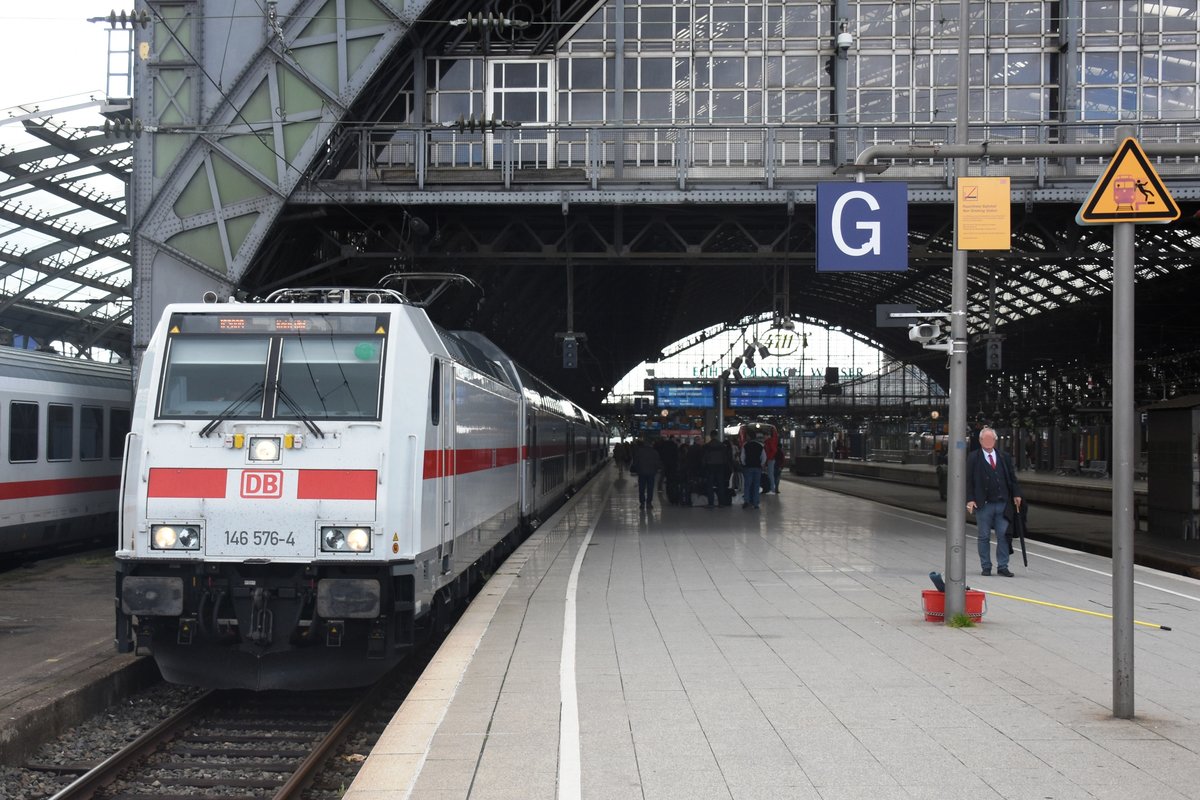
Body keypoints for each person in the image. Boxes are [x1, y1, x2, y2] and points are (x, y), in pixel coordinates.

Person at [966, 426, 1023, 576]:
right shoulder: (973, 457)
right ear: (980, 441)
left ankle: (1003, 566)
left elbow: (1012, 478)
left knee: (1003, 534)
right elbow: (968, 480)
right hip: (983, 504)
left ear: (995, 441)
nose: (988, 441)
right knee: (984, 536)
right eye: (985, 439)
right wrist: (970, 499)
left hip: (1003, 503)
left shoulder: (1004, 457)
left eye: (991, 439)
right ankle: (986, 566)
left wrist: (1016, 494)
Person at [700, 429, 732, 508]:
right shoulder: (722, 446)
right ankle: (721, 503)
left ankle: (711, 503)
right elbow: (725, 458)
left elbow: (704, 458)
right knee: (720, 485)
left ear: (711, 436)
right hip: (720, 467)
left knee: (710, 485)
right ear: (717, 436)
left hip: (710, 467)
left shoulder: (707, 446)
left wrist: (703, 466)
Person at [629, 438, 662, 510]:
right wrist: (655, 470)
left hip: (641, 473)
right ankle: (649, 503)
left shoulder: (639, 451)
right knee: (650, 488)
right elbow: (657, 463)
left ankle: (642, 503)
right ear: (651, 444)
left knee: (641, 488)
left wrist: (638, 470)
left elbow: (636, 462)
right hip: (651, 473)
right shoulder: (654, 452)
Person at [740, 429, 766, 510]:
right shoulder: (760, 446)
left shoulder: (745, 445)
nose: (746, 437)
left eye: (747, 436)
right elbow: (764, 457)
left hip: (748, 468)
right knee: (756, 485)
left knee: (747, 485)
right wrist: (761, 464)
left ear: (749, 437)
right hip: (757, 468)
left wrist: (744, 464)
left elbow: (742, 457)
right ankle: (755, 503)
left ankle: (747, 501)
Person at [762, 428, 778, 494]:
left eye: (764, 436)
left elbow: (773, 450)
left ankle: (772, 490)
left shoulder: (769, 441)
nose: (763, 437)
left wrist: (768, 458)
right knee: (770, 474)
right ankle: (771, 489)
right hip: (769, 459)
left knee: (770, 475)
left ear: (767, 435)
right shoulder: (767, 442)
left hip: (770, 460)